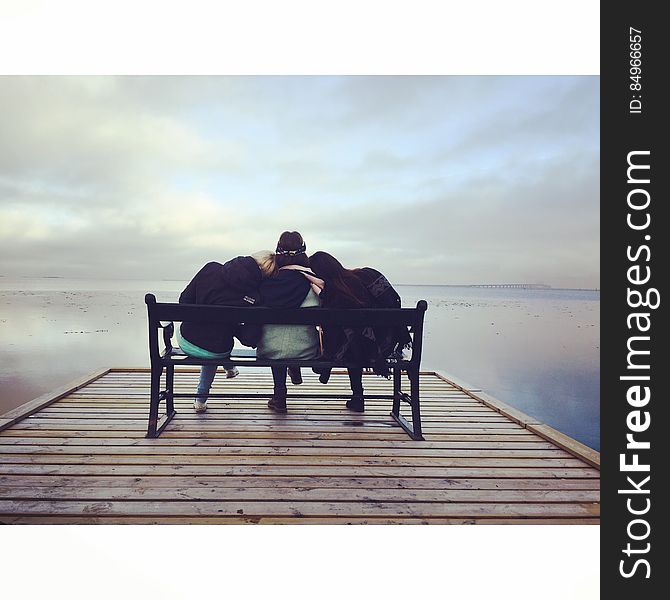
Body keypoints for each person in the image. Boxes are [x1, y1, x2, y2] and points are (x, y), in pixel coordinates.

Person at [308, 251, 412, 412]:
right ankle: (355, 396)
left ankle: (357, 395)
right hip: (387, 343)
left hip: (367, 349)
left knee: (352, 338)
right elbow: (393, 300)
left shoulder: (334, 296)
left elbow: (332, 333)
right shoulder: (367, 275)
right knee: (355, 336)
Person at [178, 251, 276, 413]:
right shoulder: (254, 297)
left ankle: (219, 379)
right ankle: (200, 398)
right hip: (217, 350)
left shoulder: (211, 268)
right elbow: (249, 339)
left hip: (186, 340)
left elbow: (184, 301)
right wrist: (233, 326)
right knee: (215, 345)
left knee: (210, 337)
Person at [256, 231, 323, 413]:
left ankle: (279, 397)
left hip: (269, 349)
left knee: (278, 342)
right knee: (294, 336)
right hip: (305, 350)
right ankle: (293, 367)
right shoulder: (314, 283)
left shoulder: (266, 282)